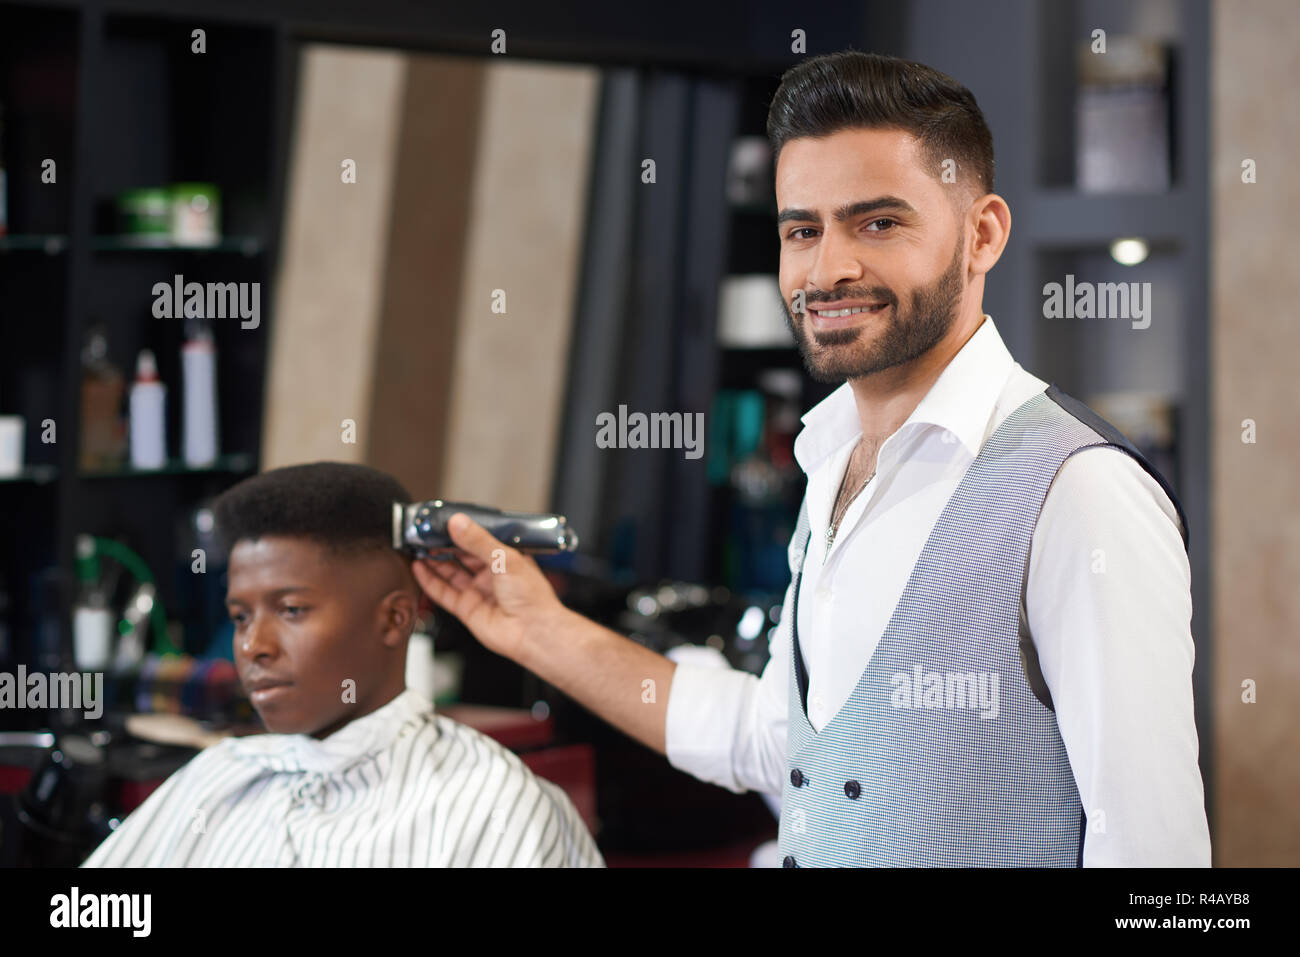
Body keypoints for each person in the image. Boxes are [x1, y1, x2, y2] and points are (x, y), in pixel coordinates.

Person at [415, 51, 1211, 867]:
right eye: (803, 230)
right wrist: (539, 629)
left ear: (982, 234)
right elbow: (778, 742)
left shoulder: (1081, 491)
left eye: (879, 223)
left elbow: (1155, 852)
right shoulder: (832, 463)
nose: (828, 269)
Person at [81, 462, 603, 868]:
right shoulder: (218, 778)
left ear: (394, 619)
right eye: (240, 617)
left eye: (291, 610)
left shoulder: (491, 807)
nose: (253, 646)